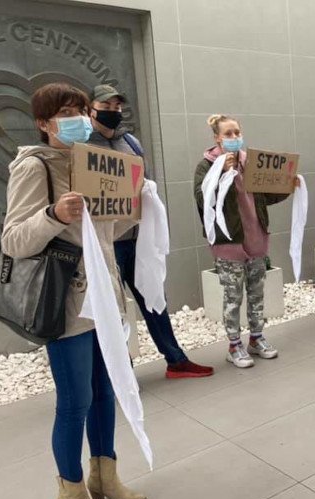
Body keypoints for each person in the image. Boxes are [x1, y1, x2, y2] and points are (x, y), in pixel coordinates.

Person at [1, 83, 145, 499]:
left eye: (81, 110)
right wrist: (53, 216)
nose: (79, 119)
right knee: (75, 401)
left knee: (106, 393)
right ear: (43, 123)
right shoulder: (34, 168)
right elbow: (13, 239)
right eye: (66, 112)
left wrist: (137, 203)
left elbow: (109, 230)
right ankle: (72, 490)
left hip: (103, 299)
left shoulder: (95, 161)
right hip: (66, 304)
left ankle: (106, 475)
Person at [88, 84, 213, 380]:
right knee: (112, 308)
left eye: (117, 107)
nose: (112, 112)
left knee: (154, 296)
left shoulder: (130, 142)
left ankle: (176, 359)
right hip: (107, 242)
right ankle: (121, 373)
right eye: (106, 107)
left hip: (137, 237)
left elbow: (145, 180)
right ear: (91, 110)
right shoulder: (82, 146)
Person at [193, 115, 295, 368]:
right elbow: (202, 199)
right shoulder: (207, 166)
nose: (235, 138)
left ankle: (256, 338)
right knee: (233, 297)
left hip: (256, 238)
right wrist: (222, 173)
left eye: (237, 132)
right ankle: (234, 345)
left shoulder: (251, 164)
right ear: (217, 137)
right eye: (228, 134)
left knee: (257, 293)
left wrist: (288, 184)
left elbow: (265, 196)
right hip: (229, 243)